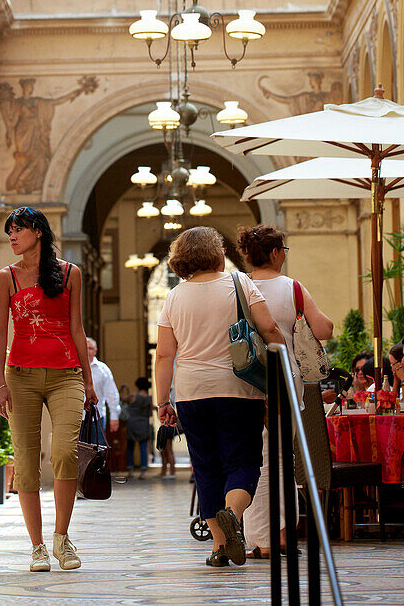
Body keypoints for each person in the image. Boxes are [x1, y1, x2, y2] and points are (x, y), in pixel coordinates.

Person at [155, 226, 285, 568]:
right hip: (239, 389)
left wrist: (162, 401)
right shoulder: (240, 283)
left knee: (206, 469)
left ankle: (219, 547)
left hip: (191, 393)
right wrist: (284, 360)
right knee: (243, 462)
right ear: (216, 252)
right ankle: (233, 512)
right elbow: (269, 328)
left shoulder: (174, 297)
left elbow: (164, 355)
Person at [0, 206, 97, 573]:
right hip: (19, 375)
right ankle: (37, 546)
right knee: (25, 461)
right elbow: (0, 332)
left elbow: (77, 328)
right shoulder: (7, 277)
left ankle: (61, 538)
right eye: (10, 232)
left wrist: (88, 378)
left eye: (17, 230)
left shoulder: (70, 274)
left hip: (66, 372)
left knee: (65, 452)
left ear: (37, 231)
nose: (12, 237)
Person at [237, 224, 333, 560]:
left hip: (244, 378)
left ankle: (257, 538)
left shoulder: (236, 286)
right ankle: (280, 536)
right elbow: (324, 328)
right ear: (276, 253)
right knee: (281, 457)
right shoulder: (291, 287)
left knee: (252, 459)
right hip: (283, 375)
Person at [86, 337, 120, 433]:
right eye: (85, 348)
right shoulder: (75, 368)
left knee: (98, 447)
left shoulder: (103, 369)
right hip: (77, 419)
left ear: (95, 351)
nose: (87, 351)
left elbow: (111, 393)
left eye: (90, 348)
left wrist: (114, 416)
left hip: (97, 418)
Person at [125, 378, 152, 478]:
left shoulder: (133, 395)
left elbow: (123, 400)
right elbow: (149, 413)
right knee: (143, 447)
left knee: (130, 447)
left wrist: (124, 389)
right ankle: (143, 471)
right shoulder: (149, 398)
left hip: (132, 423)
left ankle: (130, 470)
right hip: (144, 423)